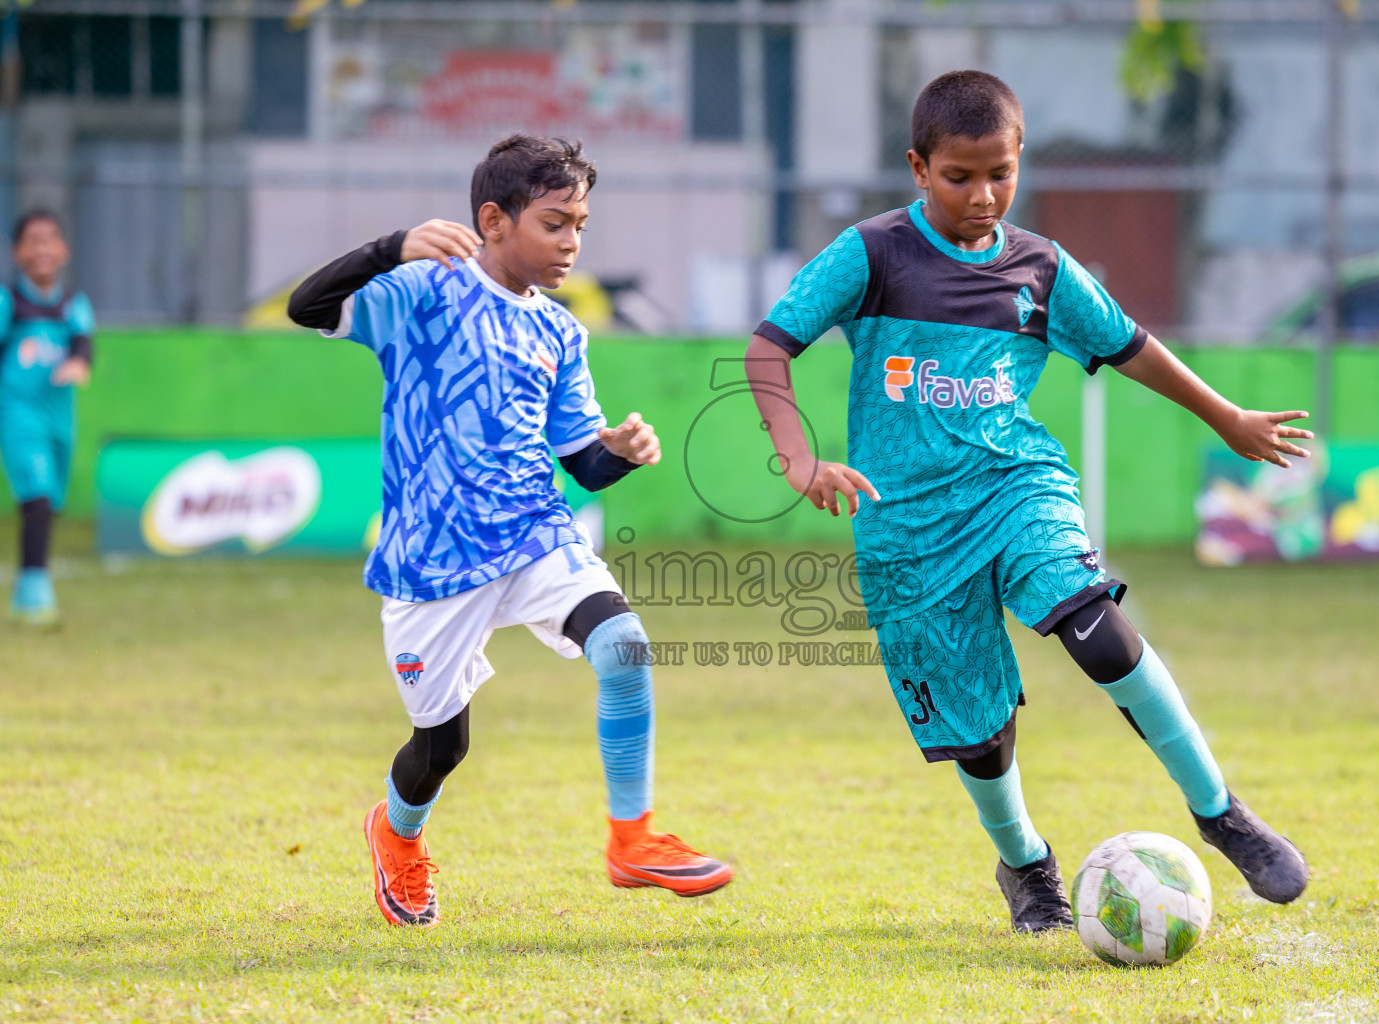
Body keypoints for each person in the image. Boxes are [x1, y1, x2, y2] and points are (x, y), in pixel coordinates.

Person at [745, 71, 1310, 933]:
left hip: (1016, 489)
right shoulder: (872, 254)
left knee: (1098, 629)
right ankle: (1025, 865)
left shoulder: (1040, 267)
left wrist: (1225, 415)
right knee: (980, 732)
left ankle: (1220, 811)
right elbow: (768, 347)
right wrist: (797, 457)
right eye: (960, 177)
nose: (984, 195)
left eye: (1001, 173)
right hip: (906, 532)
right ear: (918, 168)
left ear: (1020, 163)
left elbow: (1131, 346)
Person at [288, 135, 732, 928]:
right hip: (433, 563)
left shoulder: (562, 333)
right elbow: (307, 308)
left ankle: (632, 839)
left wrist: (622, 455)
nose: (572, 244)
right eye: (555, 223)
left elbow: (583, 466)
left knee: (623, 646)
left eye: (581, 226)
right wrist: (391, 247)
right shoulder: (423, 292)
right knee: (440, 749)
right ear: (493, 220)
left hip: (534, 535)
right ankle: (397, 833)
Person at [0, 211, 94, 628]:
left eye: (50, 239)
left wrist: (78, 364)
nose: (42, 248)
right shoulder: (8, 302)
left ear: (64, 251)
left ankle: (25, 589)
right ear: (18, 252)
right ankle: (37, 594)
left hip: (60, 419)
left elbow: (83, 345)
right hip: (19, 414)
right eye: (32, 241)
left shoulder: (74, 303)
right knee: (35, 494)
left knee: (49, 501)